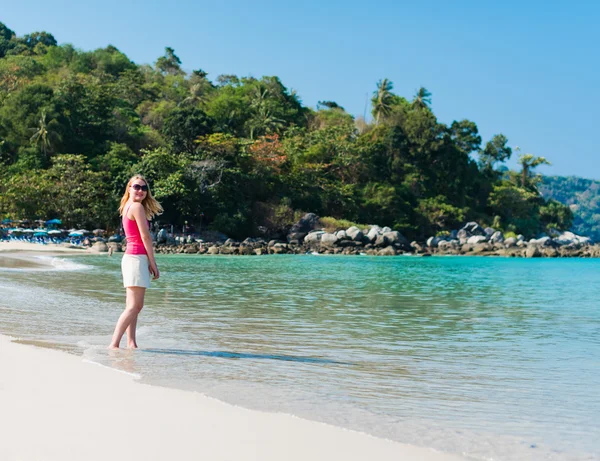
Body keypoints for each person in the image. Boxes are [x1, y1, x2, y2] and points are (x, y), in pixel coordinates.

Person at [109, 175, 163, 349]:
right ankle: (113, 344)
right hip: (136, 258)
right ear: (129, 188)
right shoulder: (137, 207)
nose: (140, 190)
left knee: (133, 306)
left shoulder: (127, 206)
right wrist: (152, 262)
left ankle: (131, 342)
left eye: (144, 188)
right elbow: (145, 237)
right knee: (135, 306)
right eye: (136, 187)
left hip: (132, 258)